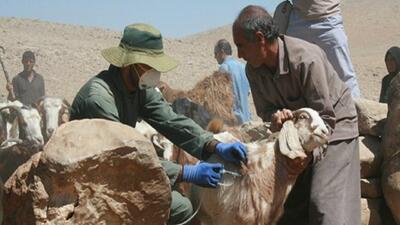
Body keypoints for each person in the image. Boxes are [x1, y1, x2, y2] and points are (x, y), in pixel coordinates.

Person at [70, 23, 247, 225]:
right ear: (130, 65)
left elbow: (171, 120)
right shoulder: (99, 99)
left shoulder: (137, 90)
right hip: (93, 180)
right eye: (150, 66)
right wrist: (184, 172)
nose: (155, 72)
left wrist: (212, 144)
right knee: (180, 208)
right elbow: (123, 158)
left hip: (117, 171)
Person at [232, 5, 360, 225]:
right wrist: (276, 117)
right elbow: (266, 112)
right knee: (285, 206)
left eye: (241, 46)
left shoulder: (305, 59)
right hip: (297, 136)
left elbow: (326, 119)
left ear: (260, 39)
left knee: (324, 205)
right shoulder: (252, 70)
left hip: (334, 127)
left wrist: (305, 157)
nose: (239, 54)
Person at [285, 0, 361, 98]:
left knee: (343, 74)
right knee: (295, 75)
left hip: (328, 18)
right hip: (298, 19)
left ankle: (355, 110)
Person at [214, 39, 251, 124]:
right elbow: (247, 93)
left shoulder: (224, 68)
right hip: (246, 118)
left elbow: (222, 96)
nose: (215, 57)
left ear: (222, 51)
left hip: (234, 120)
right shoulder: (243, 66)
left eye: (215, 53)